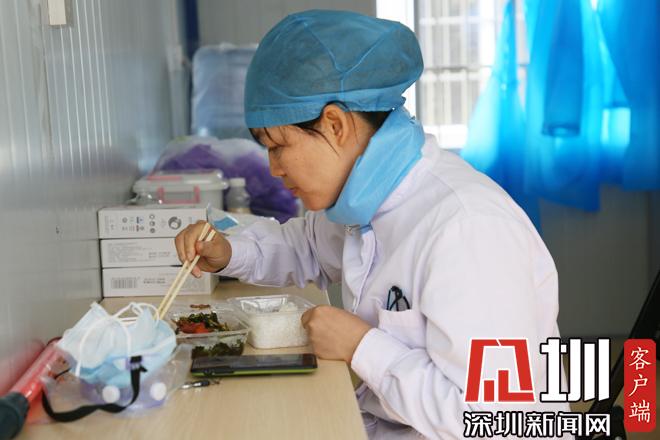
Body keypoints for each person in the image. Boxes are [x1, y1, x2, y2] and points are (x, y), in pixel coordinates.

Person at [175, 10, 570, 439]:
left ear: (335, 125)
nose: (273, 169)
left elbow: (499, 420)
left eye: (278, 146)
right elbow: (306, 247)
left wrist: (362, 346)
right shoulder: (363, 199)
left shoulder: (467, 228)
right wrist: (229, 251)